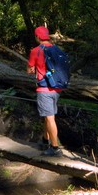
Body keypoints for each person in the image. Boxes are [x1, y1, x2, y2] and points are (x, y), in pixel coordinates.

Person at [27, 26, 63, 156]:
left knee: (50, 117)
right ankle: (45, 140)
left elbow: (30, 70)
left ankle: (55, 148)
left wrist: (35, 69)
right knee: (48, 116)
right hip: (57, 88)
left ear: (37, 37)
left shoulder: (36, 51)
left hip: (44, 88)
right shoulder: (56, 49)